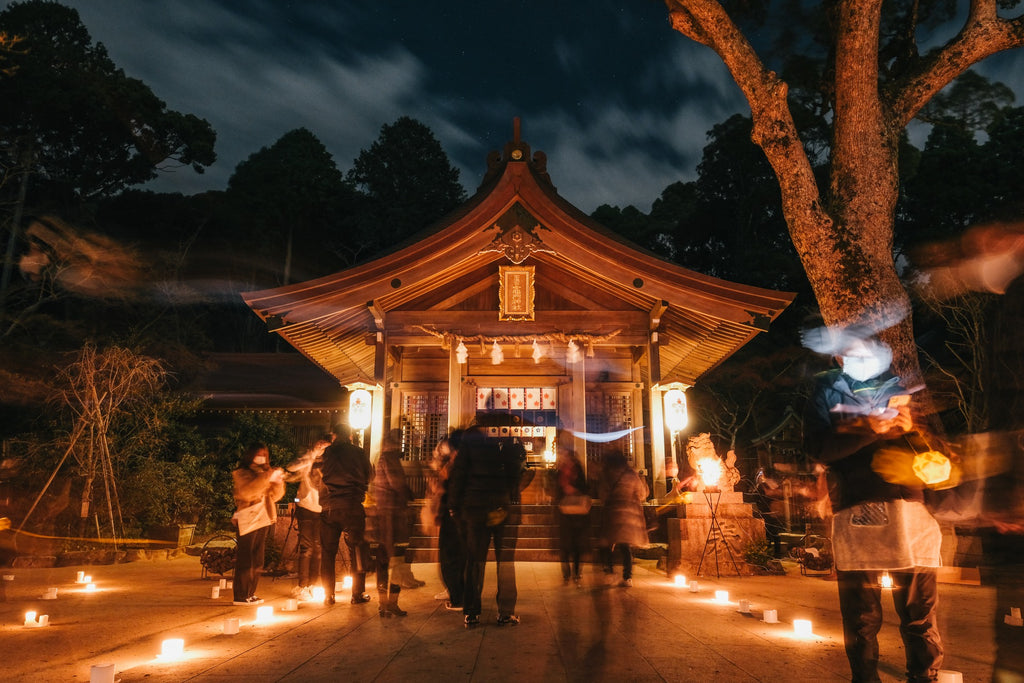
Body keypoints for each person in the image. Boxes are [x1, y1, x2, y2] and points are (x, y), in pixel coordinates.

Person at [803, 329, 944, 683]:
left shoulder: (902, 391)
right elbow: (819, 448)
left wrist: (913, 429)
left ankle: (924, 677)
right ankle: (865, 679)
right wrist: (869, 427)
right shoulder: (825, 394)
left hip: (911, 510)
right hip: (859, 509)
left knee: (920, 613)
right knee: (863, 616)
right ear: (838, 358)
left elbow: (934, 452)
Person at [448, 424, 522, 627]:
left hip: (476, 506)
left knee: (475, 561)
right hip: (500, 506)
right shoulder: (507, 435)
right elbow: (516, 469)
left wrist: (453, 504)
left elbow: (459, 472)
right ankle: (505, 612)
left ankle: (471, 612)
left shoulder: (471, 437)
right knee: (505, 562)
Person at [319, 424, 373, 607]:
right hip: (352, 505)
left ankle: (328, 595)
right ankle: (357, 594)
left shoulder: (327, 453)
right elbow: (368, 475)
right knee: (357, 550)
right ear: (350, 435)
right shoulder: (358, 453)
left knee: (328, 552)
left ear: (334, 435)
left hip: (330, 505)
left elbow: (321, 475)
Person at [231, 442, 285, 606]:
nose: (262, 457)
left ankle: (251, 593)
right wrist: (266, 477)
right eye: (259, 454)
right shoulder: (242, 473)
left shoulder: (265, 473)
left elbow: (275, 496)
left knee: (258, 560)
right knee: (246, 559)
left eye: (265, 454)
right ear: (251, 455)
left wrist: (278, 482)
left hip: (264, 518)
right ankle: (240, 595)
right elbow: (247, 492)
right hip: (248, 519)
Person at [284, 434, 332, 601]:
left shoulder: (330, 463)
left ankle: (314, 584)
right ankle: (303, 585)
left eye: (325, 445)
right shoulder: (308, 459)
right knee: (306, 548)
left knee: (318, 548)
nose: (322, 447)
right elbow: (291, 468)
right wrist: (311, 454)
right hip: (305, 507)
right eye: (321, 444)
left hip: (322, 509)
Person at [371, 429, 414, 617]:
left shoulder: (382, 458)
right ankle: (391, 603)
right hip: (392, 517)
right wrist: (409, 494)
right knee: (396, 559)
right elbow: (396, 484)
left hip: (383, 514)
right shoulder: (390, 459)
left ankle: (384, 604)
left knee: (383, 561)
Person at [597, 449, 648, 587]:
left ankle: (609, 573)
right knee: (625, 547)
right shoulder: (631, 474)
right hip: (629, 518)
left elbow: (603, 494)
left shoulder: (607, 475)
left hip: (612, 515)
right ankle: (627, 577)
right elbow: (642, 494)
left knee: (607, 545)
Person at [428, 431, 466, 610]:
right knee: (459, 557)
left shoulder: (456, 465)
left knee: (450, 557)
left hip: (452, 516)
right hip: (460, 516)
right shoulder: (464, 463)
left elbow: (450, 490)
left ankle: (457, 597)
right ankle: (458, 592)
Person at [552, 437, 590, 587]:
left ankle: (577, 573)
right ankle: (567, 574)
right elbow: (556, 491)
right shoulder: (559, 472)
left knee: (577, 546)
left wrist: (573, 490)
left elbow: (586, 488)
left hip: (578, 515)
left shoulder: (578, 472)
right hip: (564, 514)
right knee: (565, 546)